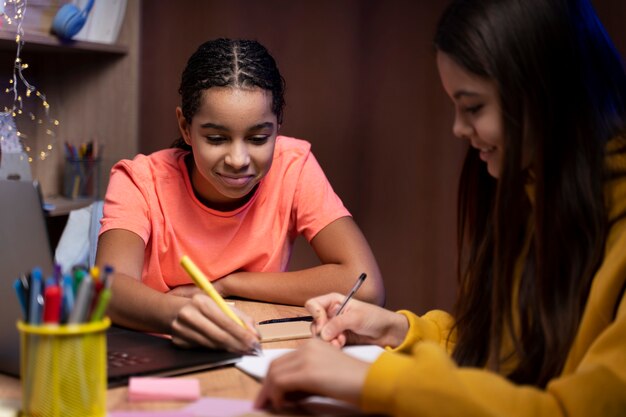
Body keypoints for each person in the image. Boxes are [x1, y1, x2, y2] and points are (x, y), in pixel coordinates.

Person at [256, 0, 626, 414]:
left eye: (473, 108)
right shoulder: (537, 190)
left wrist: (373, 380)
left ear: (546, 92)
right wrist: (399, 329)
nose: (457, 129)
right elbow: (507, 356)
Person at [95, 38, 384, 354]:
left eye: (259, 138)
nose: (238, 159)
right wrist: (183, 315)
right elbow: (109, 288)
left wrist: (227, 285)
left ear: (278, 127)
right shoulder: (139, 180)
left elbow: (366, 286)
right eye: (217, 138)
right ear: (186, 127)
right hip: (158, 349)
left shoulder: (293, 166)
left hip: (249, 347)